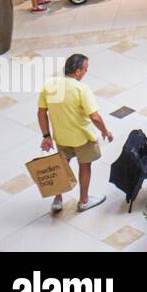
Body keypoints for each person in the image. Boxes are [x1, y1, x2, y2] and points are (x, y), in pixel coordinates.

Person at [37, 54, 114, 214]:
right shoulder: (81, 89)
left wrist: (46, 136)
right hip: (82, 137)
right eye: (86, 69)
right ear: (78, 71)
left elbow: (41, 112)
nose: (86, 72)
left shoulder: (50, 86)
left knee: (62, 166)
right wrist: (105, 131)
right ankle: (84, 200)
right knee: (85, 166)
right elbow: (94, 116)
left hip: (61, 136)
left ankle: (58, 199)